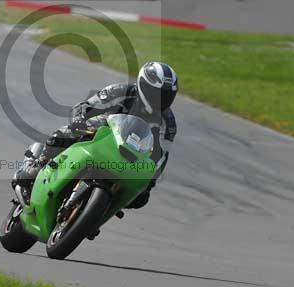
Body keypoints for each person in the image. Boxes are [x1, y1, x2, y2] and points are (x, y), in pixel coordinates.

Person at [12, 61, 178, 210]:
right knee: (64, 134)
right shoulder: (122, 91)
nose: (162, 100)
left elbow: (161, 156)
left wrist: (150, 180)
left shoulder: (167, 122)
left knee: (140, 198)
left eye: (167, 96)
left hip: (131, 155)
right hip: (101, 133)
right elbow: (86, 106)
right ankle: (38, 163)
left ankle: (97, 212)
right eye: (158, 93)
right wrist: (80, 121)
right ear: (144, 86)